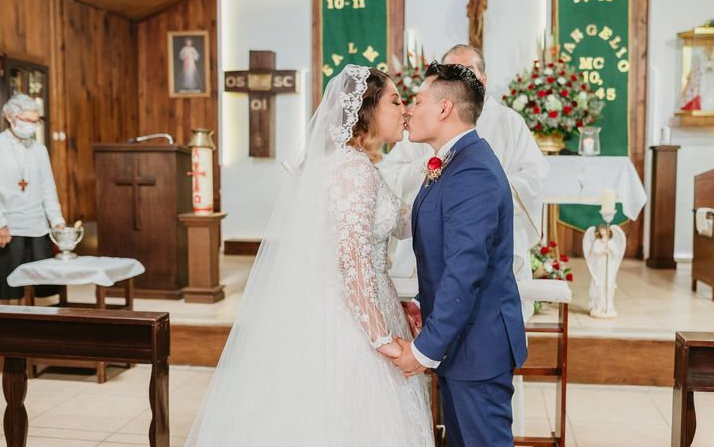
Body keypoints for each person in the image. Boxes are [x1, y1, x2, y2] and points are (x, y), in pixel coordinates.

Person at [185, 65, 433, 446]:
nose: (404, 110)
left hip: (361, 306)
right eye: (396, 101)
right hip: (349, 323)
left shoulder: (355, 166)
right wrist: (381, 338)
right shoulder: (354, 171)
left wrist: (436, 174)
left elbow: (403, 224)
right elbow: (352, 263)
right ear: (366, 111)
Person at [385, 61, 528, 447]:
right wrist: (421, 300)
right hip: (460, 342)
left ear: (445, 109)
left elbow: (466, 269)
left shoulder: (472, 171)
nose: (409, 111)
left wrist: (424, 349)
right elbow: (447, 255)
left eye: (417, 100)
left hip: (477, 346)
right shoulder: (452, 163)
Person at [380, 44, 548, 320]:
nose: (458, 77)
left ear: (482, 79)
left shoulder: (508, 122)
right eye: (452, 71)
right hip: (427, 242)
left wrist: (477, 197)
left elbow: (534, 176)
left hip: (488, 238)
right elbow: (392, 172)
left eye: (466, 71)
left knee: (478, 312)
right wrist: (427, 170)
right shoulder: (425, 122)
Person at [0, 93, 64, 301]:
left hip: (36, 226)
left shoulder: (40, 150)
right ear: (11, 117)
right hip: (5, 226)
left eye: (35, 121)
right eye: (27, 120)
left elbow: (48, 188)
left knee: (36, 288)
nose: (31, 125)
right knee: (5, 288)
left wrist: (57, 221)